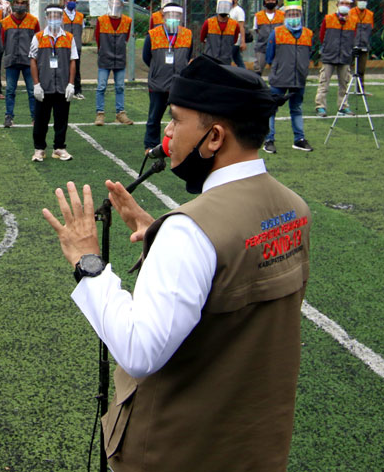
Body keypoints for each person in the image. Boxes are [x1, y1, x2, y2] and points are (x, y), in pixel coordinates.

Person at [42, 54, 310, 472]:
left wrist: (87, 261)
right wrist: (158, 233)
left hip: (177, 451)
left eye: (177, 119)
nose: (167, 132)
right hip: (254, 449)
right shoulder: (293, 207)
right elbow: (231, 286)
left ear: (215, 137)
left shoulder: (191, 232)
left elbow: (139, 350)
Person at [142, 3, 196, 152]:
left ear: (180, 17)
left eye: (176, 15)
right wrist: (157, 70)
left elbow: (188, 55)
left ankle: (180, 143)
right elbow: (147, 57)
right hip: (158, 83)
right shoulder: (153, 34)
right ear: (163, 17)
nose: (173, 18)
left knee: (181, 117)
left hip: (179, 84)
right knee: (154, 117)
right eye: (169, 15)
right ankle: (151, 145)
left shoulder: (187, 34)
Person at [263, 0, 314, 153]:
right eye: (290, 14)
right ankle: (269, 140)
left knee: (297, 108)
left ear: (301, 15)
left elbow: (309, 54)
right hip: (279, 78)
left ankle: (299, 139)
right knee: (271, 109)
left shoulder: (308, 33)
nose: (293, 16)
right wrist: (277, 69)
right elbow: (269, 55)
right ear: (285, 15)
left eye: (296, 14)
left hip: (299, 79)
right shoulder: (277, 32)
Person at [30, 5, 78, 161]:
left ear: (62, 17)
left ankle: (59, 147)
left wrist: (71, 84)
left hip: (62, 86)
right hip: (45, 86)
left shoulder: (69, 37)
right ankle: (39, 149)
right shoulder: (38, 37)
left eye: (57, 15)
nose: (54, 18)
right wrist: (36, 84)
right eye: (51, 15)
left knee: (61, 118)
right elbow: (33, 61)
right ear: (46, 17)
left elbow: (73, 61)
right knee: (41, 119)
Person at [314, 0, 358, 117]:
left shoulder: (353, 20)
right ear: (337, 5)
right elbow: (322, 36)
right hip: (329, 56)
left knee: (344, 83)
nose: (345, 6)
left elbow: (354, 37)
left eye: (347, 4)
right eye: (342, 3)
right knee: (324, 82)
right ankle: (320, 106)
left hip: (345, 56)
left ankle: (343, 106)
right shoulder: (328, 19)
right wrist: (328, 48)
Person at [1, 0, 39, 128]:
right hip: (11, 61)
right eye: (17, 2)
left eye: (23, 3)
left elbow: (37, 41)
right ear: (13, 3)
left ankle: (35, 117)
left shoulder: (33, 21)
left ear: (27, 5)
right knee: (10, 90)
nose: (20, 5)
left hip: (29, 62)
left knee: (32, 91)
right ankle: (9, 116)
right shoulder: (5, 22)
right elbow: (3, 41)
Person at [95, 0, 133, 126]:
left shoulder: (128, 21)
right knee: (101, 86)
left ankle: (120, 112)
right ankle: (100, 113)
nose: (115, 6)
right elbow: (98, 39)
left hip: (120, 59)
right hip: (105, 58)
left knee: (120, 87)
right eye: (113, 3)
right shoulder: (101, 20)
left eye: (118, 4)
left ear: (122, 6)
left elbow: (126, 39)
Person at [198, 0, 241, 66]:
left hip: (225, 59)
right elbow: (202, 38)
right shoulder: (209, 22)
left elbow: (234, 40)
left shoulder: (234, 24)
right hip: (210, 57)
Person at [253, 0, 284, 75]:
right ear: (264, 2)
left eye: (273, 0)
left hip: (278, 46)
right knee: (258, 69)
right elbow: (256, 30)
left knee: (278, 69)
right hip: (262, 46)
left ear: (276, 2)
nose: (271, 2)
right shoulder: (258, 15)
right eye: (268, 0)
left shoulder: (282, 15)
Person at [61, 0, 86, 99]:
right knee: (63, 67)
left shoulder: (80, 16)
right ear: (65, 1)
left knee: (76, 68)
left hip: (76, 45)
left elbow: (82, 29)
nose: (72, 2)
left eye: (74, 1)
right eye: (70, 0)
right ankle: (63, 89)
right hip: (63, 45)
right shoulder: (61, 15)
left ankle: (77, 90)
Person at [351, 0, 374, 92]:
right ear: (356, 1)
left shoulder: (370, 14)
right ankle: (345, 88)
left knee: (361, 69)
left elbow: (371, 29)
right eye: (360, 0)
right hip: (351, 45)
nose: (362, 2)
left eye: (364, 0)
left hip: (364, 45)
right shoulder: (350, 12)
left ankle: (360, 89)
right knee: (347, 68)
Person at [227, 0, 247, 67]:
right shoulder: (228, 10)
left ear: (235, 0)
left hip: (235, 39)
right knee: (237, 59)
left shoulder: (239, 11)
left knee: (227, 57)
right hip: (229, 37)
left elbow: (241, 27)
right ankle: (244, 74)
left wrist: (243, 41)